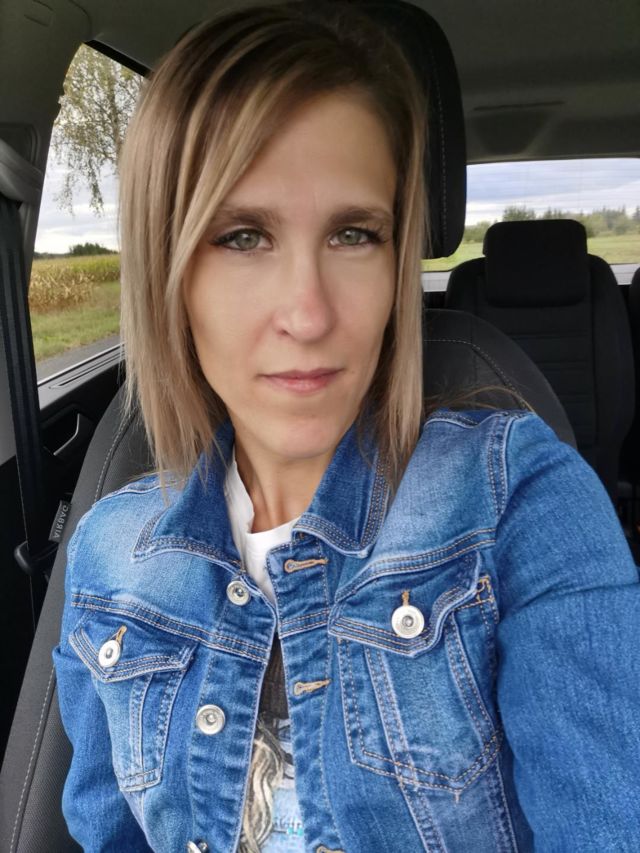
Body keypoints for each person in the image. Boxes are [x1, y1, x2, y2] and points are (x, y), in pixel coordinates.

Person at [53, 3, 640, 852]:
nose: (309, 313)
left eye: (355, 234)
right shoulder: (107, 554)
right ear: (167, 268)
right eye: (243, 236)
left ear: (399, 259)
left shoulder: (520, 506)